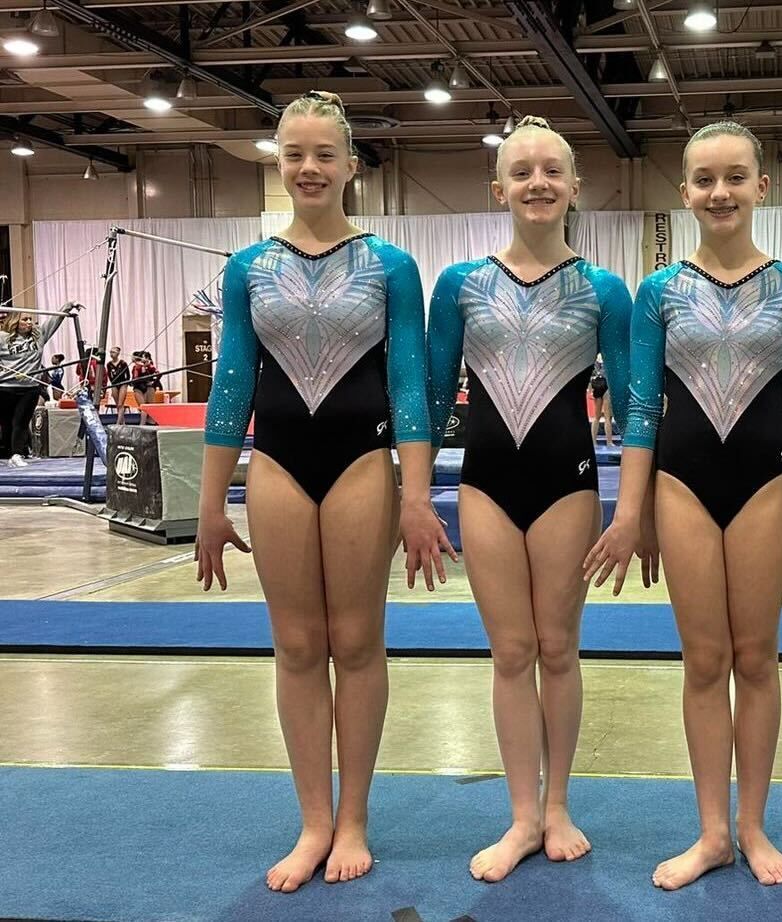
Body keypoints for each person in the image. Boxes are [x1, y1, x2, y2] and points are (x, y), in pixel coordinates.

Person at [195, 90, 453, 894]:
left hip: (360, 464)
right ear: (279, 161)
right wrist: (209, 505)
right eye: (294, 154)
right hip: (275, 465)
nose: (309, 168)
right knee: (298, 646)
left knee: (356, 642)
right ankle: (313, 819)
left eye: (323, 154)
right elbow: (231, 387)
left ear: (350, 165)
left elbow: (409, 384)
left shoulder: (390, 266)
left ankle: (355, 818)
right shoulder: (248, 268)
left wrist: (418, 496)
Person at [587, 120, 782, 892]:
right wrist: (631, 510)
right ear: (684, 191)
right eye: (703, 179)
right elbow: (642, 407)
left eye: (734, 177)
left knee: (756, 659)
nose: (718, 192)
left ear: (762, 186)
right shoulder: (659, 292)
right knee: (703, 661)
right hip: (682, 487)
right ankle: (712, 831)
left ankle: (752, 824)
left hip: (761, 483)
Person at [426, 115, 632, 883]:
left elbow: (638, 404)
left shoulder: (605, 289)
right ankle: (520, 814)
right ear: (499, 188)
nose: (538, 183)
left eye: (553, 170)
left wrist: (633, 511)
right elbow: (427, 394)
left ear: (575, 185)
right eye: (523, 172)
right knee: (511, 651)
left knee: (557, 648)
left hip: (567, 483)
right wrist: (415, 494)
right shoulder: (460, 285)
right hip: (485, 483)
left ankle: (558, 807)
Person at [0, 305, 78, 466]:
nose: (29, 322)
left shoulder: (39, 336)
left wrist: (67, 306)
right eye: (25, 319)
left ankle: (17, 454)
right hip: (6, 387)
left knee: (21, 421)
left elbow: (54, 320)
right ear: (15, 321)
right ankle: (8, 453)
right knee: (7, 422)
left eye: (30, 319)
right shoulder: (2, 337)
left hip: (30, 387)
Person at [589, 353, 615, 446]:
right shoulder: (609, 354)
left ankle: (594, 442)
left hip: (597, 384)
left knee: (597, 417)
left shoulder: (596, 356)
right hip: (605, 384)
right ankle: (609, 442)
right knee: (607, 417)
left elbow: (593, 371)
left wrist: (590, 388)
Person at [105, 346, 130, 424]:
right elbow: (109, 375)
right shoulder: (109, 364)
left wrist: (125, 383)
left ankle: (118, 423)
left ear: (118, 353)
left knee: (120, 404)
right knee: (117, 405)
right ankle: (123, 422)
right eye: (110, 352)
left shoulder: (123, 363)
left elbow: (128, 375)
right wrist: (113, 383)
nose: (111, 354)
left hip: (123, 384)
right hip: (114, 384)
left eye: (113, 352)